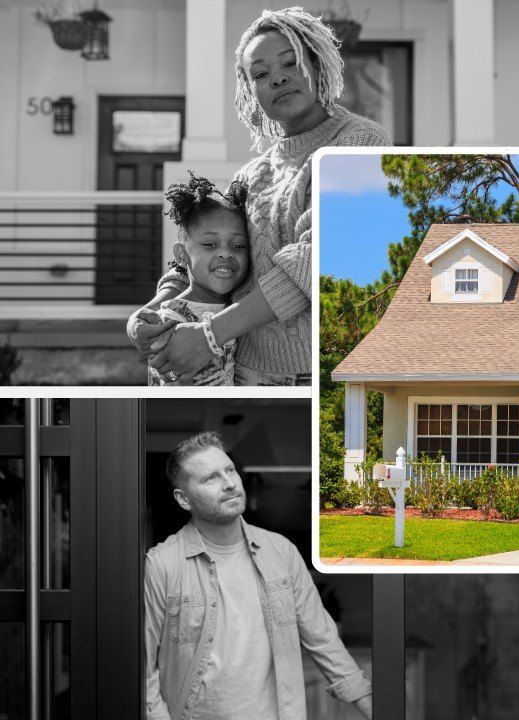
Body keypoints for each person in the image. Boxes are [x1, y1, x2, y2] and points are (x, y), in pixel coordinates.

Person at [130, 7, 391, 385]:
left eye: (291, 63)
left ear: (317, 66)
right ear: (250, 91)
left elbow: (315, 260)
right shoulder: (251, 175)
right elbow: (201, 246)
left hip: (315, 375)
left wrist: (209, 334)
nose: (278, 78)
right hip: (240, 369)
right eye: (261, 74)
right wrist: (150, 313)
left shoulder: (360, 142)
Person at [144, 431, 373, 719]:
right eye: (211, 478)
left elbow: (323, 638)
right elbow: (144, 667)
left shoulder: (281, 552)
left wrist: (372, 707)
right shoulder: (162, 564)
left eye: (230, 470)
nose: (229, 484)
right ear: (183, 498)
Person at [136, 175, 250, 386]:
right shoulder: (170, 322)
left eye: (238, 246)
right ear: (181, 255)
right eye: (210, 244)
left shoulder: (241, 308)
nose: (226, 253)